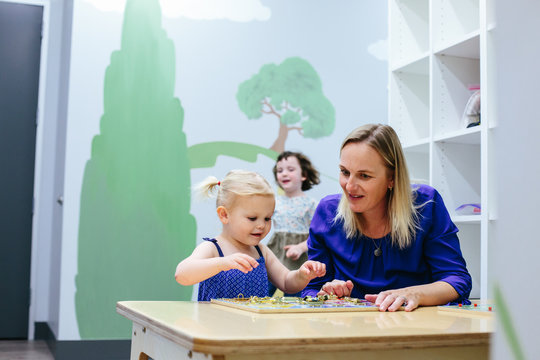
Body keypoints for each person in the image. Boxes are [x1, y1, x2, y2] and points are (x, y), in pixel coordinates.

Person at [302, 124, 472, 312]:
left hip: (414, 327)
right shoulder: (327, 212)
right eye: (344, 172)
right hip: (350, 329)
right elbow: (312, 289)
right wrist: (326, 294)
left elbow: (457, 279)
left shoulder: (426, 205)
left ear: (392, 178)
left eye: (364, 176)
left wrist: (416, 293)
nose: (349, 186)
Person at [175, 169, 326, 301]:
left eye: (267, 218)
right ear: (224, 215)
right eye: (252, 218)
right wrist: (223, 263)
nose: (261, 225)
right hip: (214, 330)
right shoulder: (213, 248)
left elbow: (286, 282)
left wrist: (302, 275)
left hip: (252, 330)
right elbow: (182, 274)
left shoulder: (261, 251)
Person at [267, 151, 320, 295]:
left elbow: (317, 236)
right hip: (275, 252)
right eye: (280, 170)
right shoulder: (274, 202)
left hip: (298, 257)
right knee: (263, 290)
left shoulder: (311, 204)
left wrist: (301, 247)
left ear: (303, 175)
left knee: (295, 293)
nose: (284, 174)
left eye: (290, 170)